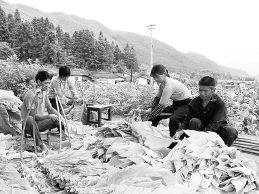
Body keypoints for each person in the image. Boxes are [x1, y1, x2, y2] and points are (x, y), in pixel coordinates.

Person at [174, 76, 238, 147]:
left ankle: (223, 151)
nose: (202, 93)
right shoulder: (195, 102)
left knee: (231, 131)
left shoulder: (219, 104)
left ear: (213, 90)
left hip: (216, 130)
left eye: (205, 91)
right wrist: (179, 131)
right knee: (194, 121)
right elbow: (187, 119)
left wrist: (203, 136)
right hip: (200, 129)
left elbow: (215, 124)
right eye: (200, 90)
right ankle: (195, 147)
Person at [21, 70, 66, 153]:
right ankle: (41, 145)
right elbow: (33, 116)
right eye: (46, 83)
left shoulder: (44, 93)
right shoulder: (30, 95)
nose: (48, 85)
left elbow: (50, 108)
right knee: (30, 119)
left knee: (58, 119)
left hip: (39, 124)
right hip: (29, 125)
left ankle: (63, 138)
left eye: (49, 83)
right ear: (38, 82)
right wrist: (49, 116)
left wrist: (61, 118)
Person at [147, 64, 192, 137]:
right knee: (155, 117)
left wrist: (149, 113)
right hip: (176, 104)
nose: (155, 79)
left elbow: (161, 105)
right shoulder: (162, 84)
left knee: (173, 120)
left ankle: (174, 140)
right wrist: (150, 109)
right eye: (154, 77)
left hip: (186, 105)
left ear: (164, 74)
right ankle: (150, 133)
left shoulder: (169, 85)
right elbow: (157, 98)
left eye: (157, 77)